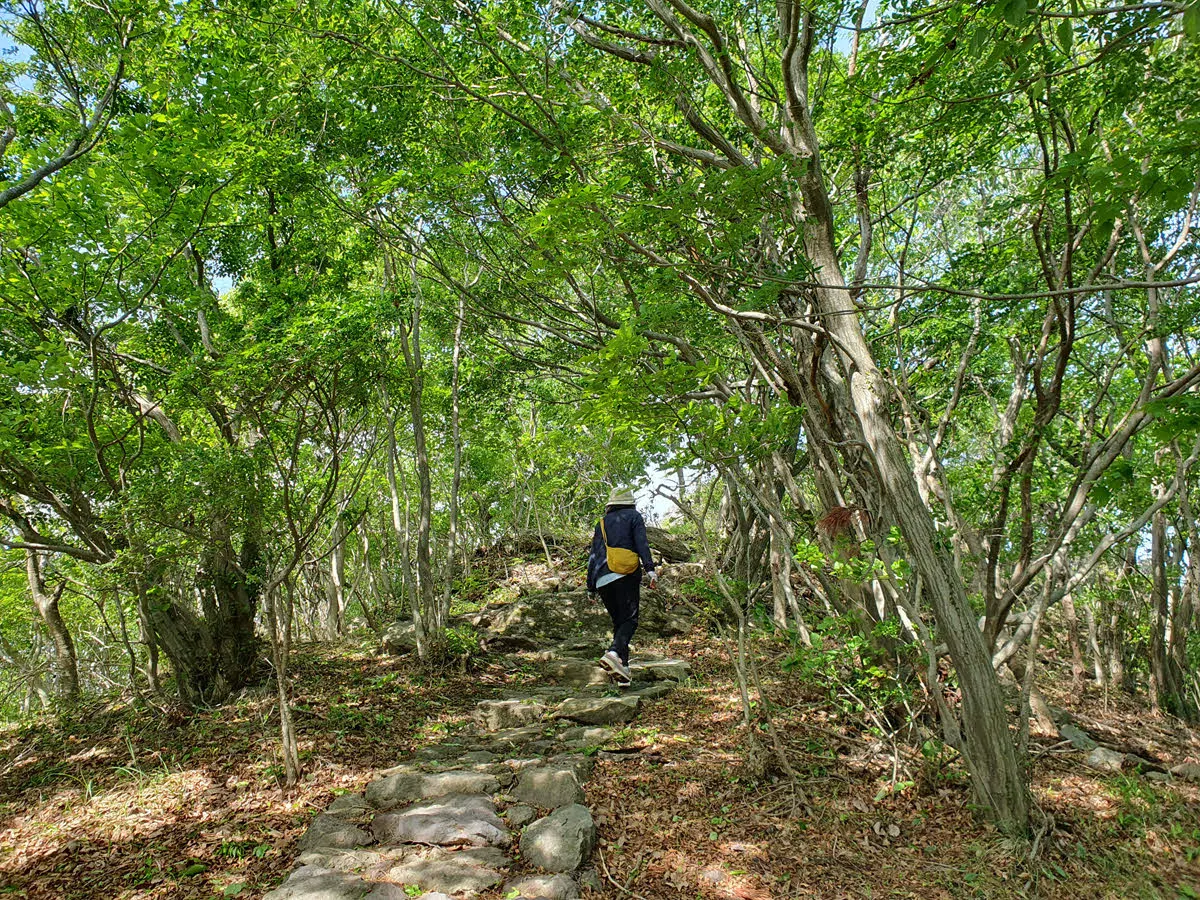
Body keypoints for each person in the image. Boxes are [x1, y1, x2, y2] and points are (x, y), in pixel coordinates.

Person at [587, 487, 657, 681]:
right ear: (630, 502)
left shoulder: (601, 523)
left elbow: (593, 554)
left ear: (611, 504)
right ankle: (614, 652)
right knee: (630, 620)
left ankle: (623, 671)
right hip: (624, 574)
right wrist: (650, 568)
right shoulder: (634, 516)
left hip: (602, 579)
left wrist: (590, 587)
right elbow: (641, 543)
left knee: (620, 622)